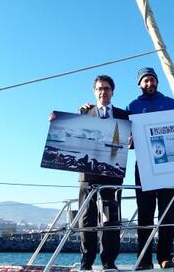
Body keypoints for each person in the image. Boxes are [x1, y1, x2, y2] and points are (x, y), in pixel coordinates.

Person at [52, 75, 128, 271]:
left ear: (113, 91)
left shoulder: (123, 115)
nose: (103, 92)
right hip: (88, 173)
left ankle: (109, 261)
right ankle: (86, 262)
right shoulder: (84, 113)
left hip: (112, 173)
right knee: (87, 218)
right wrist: (55, 121)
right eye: (100, 88)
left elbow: (132, 141)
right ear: (95, 91)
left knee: (111, 219)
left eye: (107, 88)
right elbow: (69, 132)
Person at [127, 67, 174, 270]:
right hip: (144, 166)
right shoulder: (132, 106)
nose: (149, 83)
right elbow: (124, 135)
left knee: (168, 214)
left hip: (171, 166)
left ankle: (165, 257)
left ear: (157, 82)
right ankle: (144, 259)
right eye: (145, 81)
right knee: (145, 215)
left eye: (152, 80)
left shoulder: (170, 103)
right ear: (140, 84)